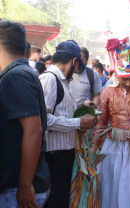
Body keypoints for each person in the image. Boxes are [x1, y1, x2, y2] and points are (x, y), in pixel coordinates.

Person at [91, 40, 130, 208]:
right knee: (111, 185)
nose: (128, 83)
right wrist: (93, 147)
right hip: (113, 147)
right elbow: (101, 122)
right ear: (117, 73)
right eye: (125, 78)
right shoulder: (107, 94)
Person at [39, 41, 97, 208]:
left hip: (64, 155)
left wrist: (78, 125)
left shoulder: (63, 81)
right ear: (74, 61)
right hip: (53, 158)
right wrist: (78, 122)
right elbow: (44, 119)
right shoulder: (50, 79)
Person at [0, 20, 50, 208]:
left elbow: (33, 131)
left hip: (18, 188)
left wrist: (25, 184)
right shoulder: (19, 72)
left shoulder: (16, 75)